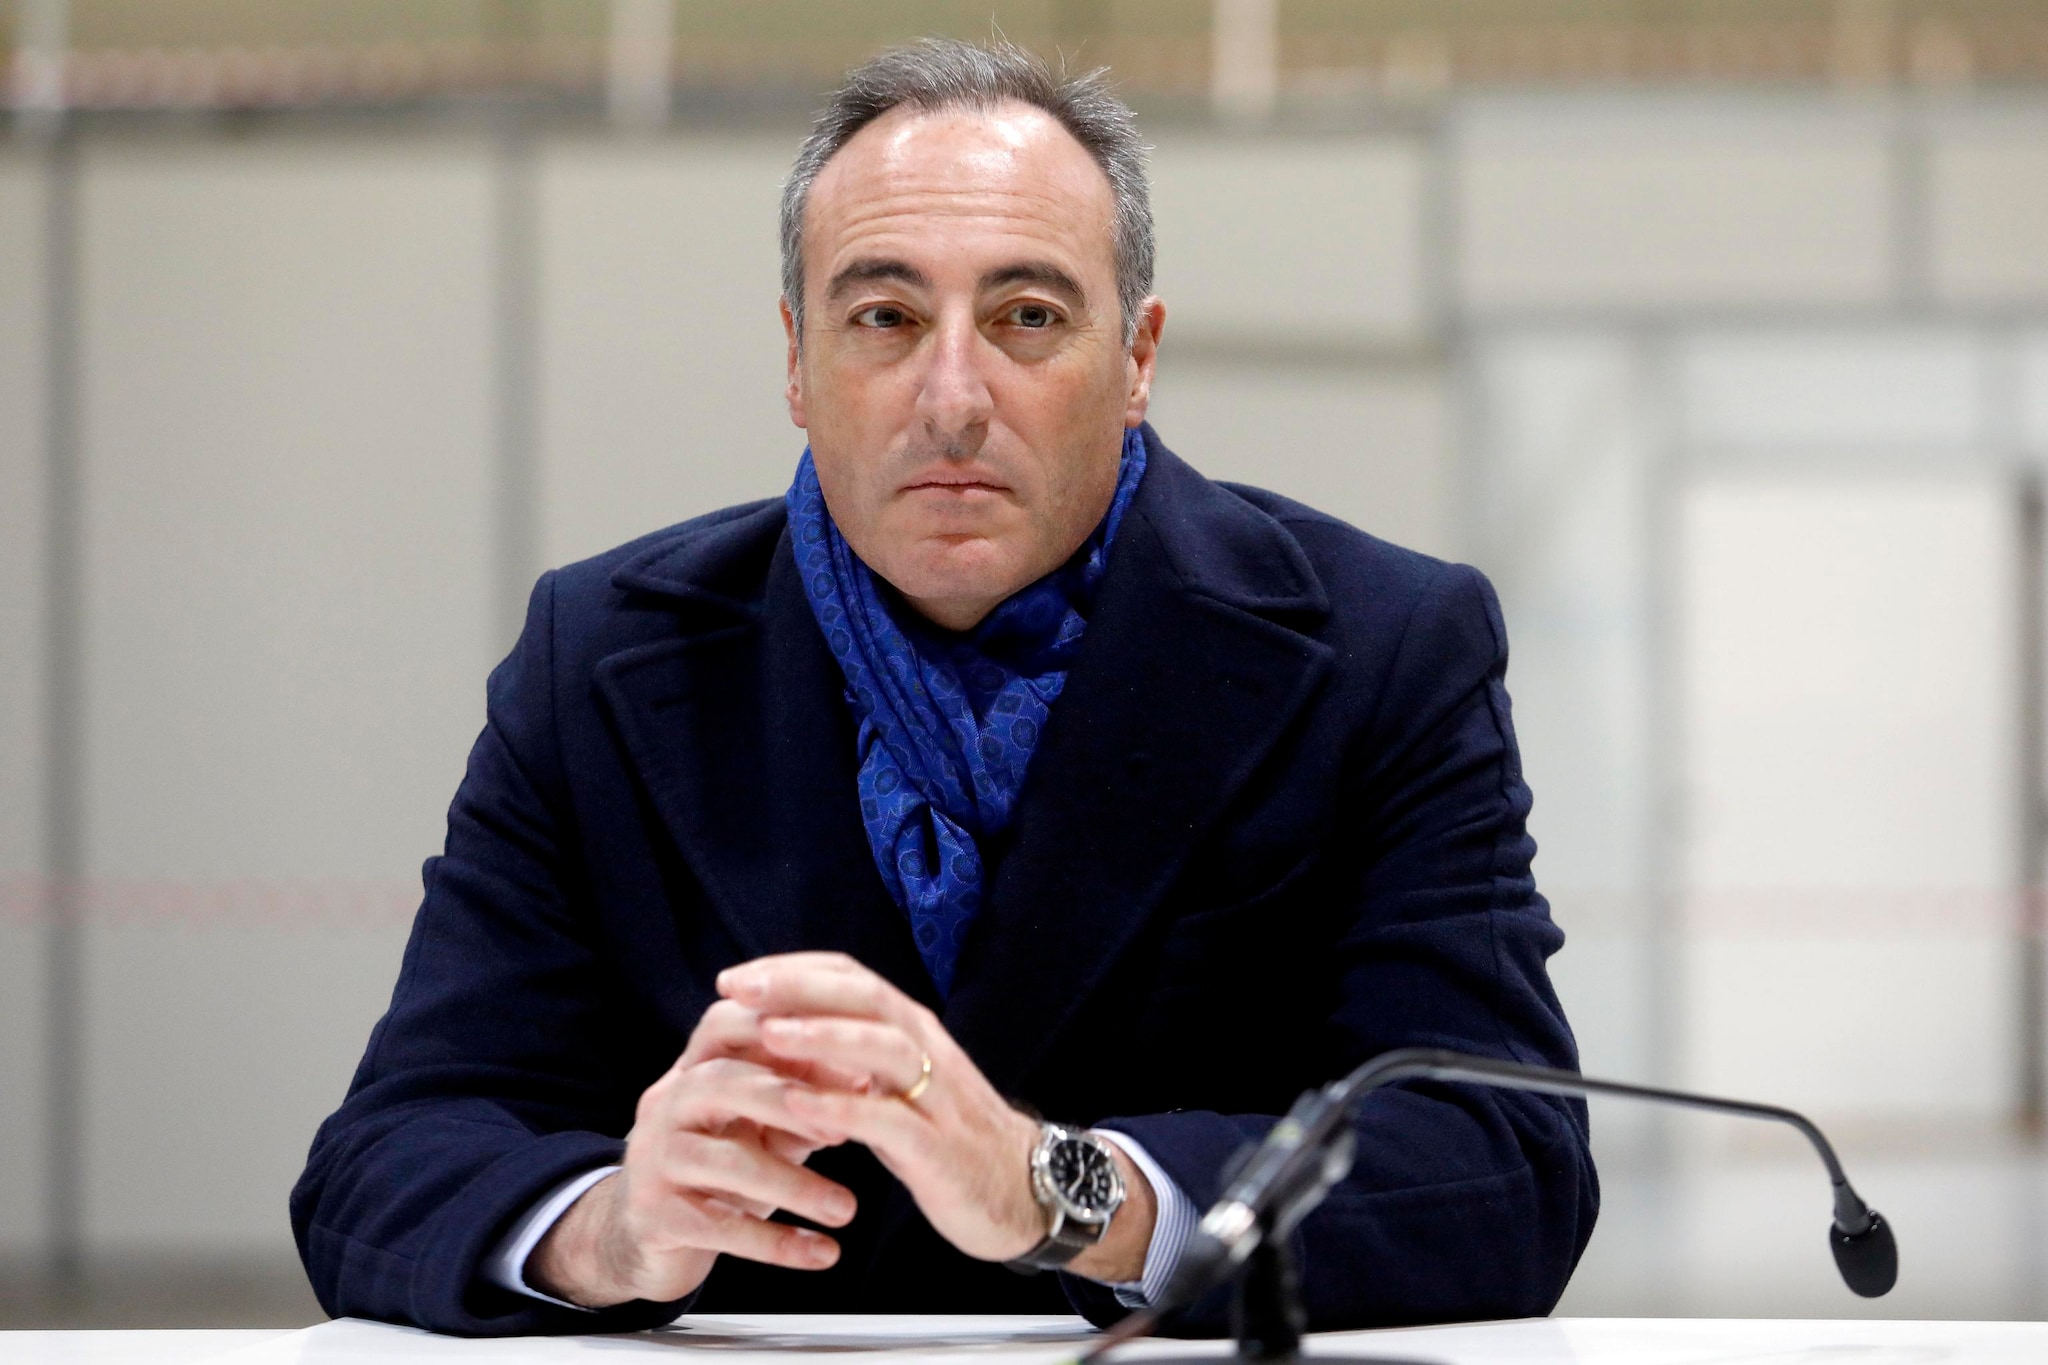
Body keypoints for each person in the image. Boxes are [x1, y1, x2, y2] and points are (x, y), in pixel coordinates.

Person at [290, 37, 1596, 1338]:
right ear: (797, 361)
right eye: (886, 318)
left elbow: (1506, 1161)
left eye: (1028, 318)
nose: (954, 397)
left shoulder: (1384, 648)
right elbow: (386, 1157)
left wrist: (1061, 1191)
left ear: (1136, 358)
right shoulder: (597, 660)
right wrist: (612, 1228)